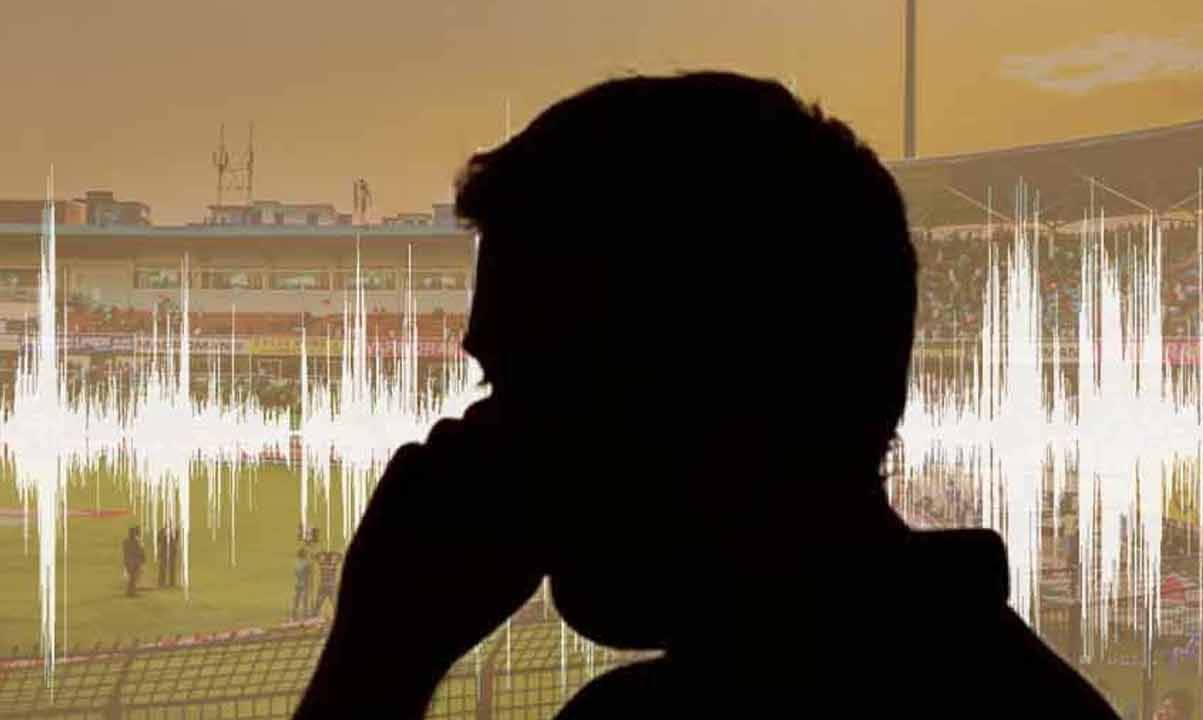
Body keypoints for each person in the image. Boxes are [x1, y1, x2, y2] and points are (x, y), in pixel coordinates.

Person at [294, 72, 1119, 717]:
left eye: (533, 387)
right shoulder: (1000, 680)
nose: (484, 439)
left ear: (710, 401)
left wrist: (376, 666)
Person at [310, 551, 342, 619]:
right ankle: (315, 615)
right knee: (320, 602)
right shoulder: (329, 565)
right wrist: (329, 554)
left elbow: (340, 557)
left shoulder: (328, 565)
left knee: (332, 602)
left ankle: (315, 614)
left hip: (328, 586)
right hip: (326, 586)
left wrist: (326, 554)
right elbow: (340, 557)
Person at [122, 526, 145, 598]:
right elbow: (140, 551)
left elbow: (140, 551)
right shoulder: (135, 541)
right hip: (133, 561)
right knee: (133, 577)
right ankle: (131, 592)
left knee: (133, 577)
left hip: (132, 561)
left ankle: (131, 591)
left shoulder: (126, 541)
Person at [292, 549, 312, 621]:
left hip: (298, 582)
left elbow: (296, 573)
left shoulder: (297, 563)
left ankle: (294, 611)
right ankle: (305, 612)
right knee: (304, 598)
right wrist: (310, 565)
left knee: (297, 597)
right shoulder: (306, 563)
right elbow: (309, 572)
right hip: (304, 582)